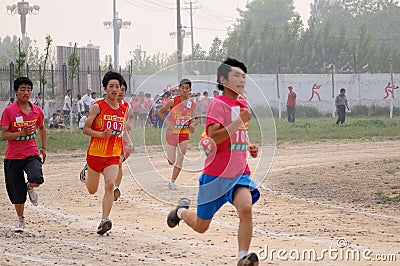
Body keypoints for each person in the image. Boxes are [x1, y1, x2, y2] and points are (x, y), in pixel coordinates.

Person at [166, 58, 260, 266]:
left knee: (245, 209)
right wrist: (239, 121)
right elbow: (214, 137)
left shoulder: (242, 104)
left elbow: (237, 136)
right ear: (223, 80)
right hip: (215, 176)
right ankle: (180, 211)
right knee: (201, 226)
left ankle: (242, 257)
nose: (241, 79)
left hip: (238, 175)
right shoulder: (218, 104)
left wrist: (249, 145)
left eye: (243, 76)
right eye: (236, 75)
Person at [82, 71, 126, 235]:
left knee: (110, 184)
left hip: (112, 156)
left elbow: (120, 133)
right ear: (105, 88)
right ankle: (86, 172)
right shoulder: (98, 106)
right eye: (111, 86)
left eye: (117, 86)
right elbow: (86, 130)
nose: (115, 90)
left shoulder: (122, 110)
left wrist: (122, 150)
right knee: (92, 190)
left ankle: (104, 219)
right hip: (95, 155)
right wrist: (101, 134)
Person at [1, 77, 47, 233]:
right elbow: (4, 135)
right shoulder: (9, 111)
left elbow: (41, 128)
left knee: (37, 178)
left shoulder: (36, 111)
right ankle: (20, 219)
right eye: (22, 89)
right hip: (13, 156)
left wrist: (44, 148)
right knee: (17, 193)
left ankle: (30, 186)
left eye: (28, 89)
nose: (26, 92)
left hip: (31, 153)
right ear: (16, 91)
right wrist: (19, 133)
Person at [158, 78, 199, 190]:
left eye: (187, 88)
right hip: (172, 132)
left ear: (190, 90)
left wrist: (192, 124)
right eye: (182, 88)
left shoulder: (192, 104)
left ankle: (172, 181)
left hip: (184, 132)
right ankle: (170, 159)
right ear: (179, 89)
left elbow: (196, 119)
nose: (184, 90)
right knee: (171, 161)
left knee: (181, 156)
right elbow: (160, 112)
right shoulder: (173, 101)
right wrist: (168, 123)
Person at [113, 79, 134, 201]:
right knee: (111, 164)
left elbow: (131, 116)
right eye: (119, 88)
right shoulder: (107, 104)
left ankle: (116, 188)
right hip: (108, 140)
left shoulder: (126, 105)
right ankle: (92, 166)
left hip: (121, 138)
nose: (121, 92)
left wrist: (129, 124)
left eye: (123, 90)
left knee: (118, 164)